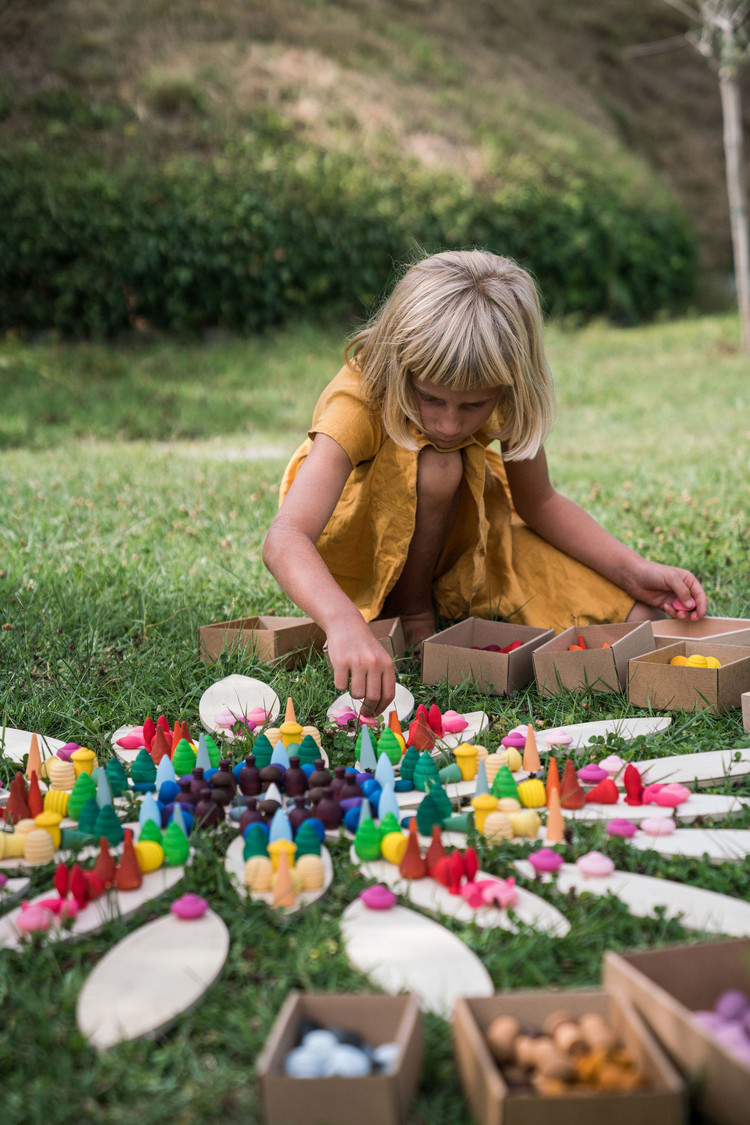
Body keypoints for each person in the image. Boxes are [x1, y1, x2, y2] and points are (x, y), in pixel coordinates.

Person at [263, 249, 707, 716]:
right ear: (400, 363)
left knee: (634, 616)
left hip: (461, 535)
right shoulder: (359, 397)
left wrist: (633, 571)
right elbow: (285, 537)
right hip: (353, 546)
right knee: (440, 464)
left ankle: (433, 593)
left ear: (509, 382)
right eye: (430, 398)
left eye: (472, 407)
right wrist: (343, 623)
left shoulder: (507, 389)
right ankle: (411, 610)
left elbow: (539, 503)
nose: (450, 424)